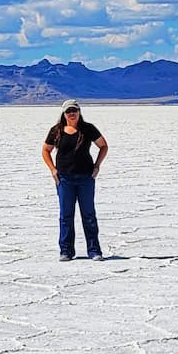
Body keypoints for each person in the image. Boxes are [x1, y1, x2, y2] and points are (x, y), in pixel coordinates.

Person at [42, 100, 108, 260]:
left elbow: (103, 146)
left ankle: (94, 251)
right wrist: (53, 169)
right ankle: (66, 251)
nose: (72, 113)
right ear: (63, 114)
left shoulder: (88, 129)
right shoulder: (56, 130)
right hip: (64, 179)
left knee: (89, 215)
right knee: (66, 215)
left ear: (79, 112)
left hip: (86, 177)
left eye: (74, 110)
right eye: (68, 111)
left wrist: (97, 166)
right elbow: (45, 150)